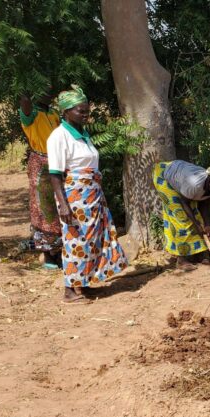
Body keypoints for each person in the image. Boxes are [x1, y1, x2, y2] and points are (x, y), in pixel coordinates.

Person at [46, 86, 128, 303]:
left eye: (86, 111)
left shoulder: (82, 135)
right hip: (74, 196)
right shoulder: (59, 136)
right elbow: (55, 174)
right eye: (80, 111)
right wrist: (63, 205)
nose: (85, 115)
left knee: (92, 240)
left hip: (92, 194)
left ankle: (84, 283)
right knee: (76, 240)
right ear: (66, 112)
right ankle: (69, 290)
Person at [152, 160, 210, 271]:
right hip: (164, 176)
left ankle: (200, 255)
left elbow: (204, 204)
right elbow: (184, 202)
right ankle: (181, 260)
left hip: (182, 180)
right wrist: (197, 225)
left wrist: (207, 224)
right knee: (181, 218)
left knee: (198, 218)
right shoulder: (194, 184)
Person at [19, 89, 62, 269]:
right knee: (44, 208)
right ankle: (48, 254)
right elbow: (25, 104)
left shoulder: (53, 113)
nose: (48, 91)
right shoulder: (31, 115)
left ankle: (59, 251)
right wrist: (25, 87)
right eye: (41, 87)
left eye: (50, 89)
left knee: (61, 205)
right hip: (41, 162)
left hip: (58, 160)